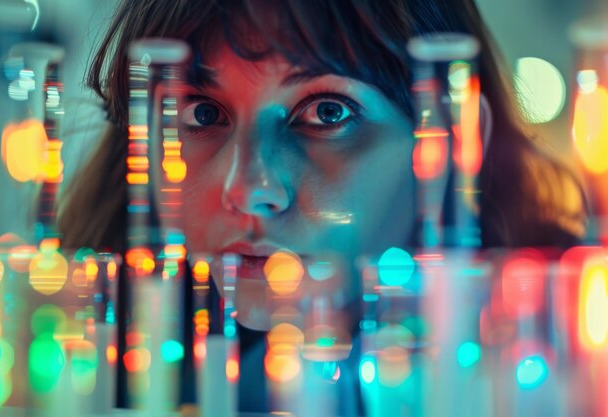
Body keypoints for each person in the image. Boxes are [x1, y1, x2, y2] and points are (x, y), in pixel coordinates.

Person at [56, 0, 587, 413]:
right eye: (202, 113)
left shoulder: (572, 379)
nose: (248, 187)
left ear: (453, 146)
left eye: (327, 112)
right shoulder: (73, 374)